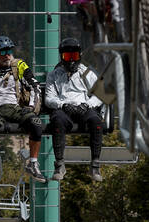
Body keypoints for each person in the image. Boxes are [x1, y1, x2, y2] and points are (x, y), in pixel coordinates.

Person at [0, 35, 47, 182]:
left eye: (9, 50)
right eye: (2, 52)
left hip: (15, 107)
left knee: (36, 124)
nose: (6, 54)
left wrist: (32, 107)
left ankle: (33, 164)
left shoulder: (19, 65)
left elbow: (35, 86)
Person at [44, 38, 104, 182]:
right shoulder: (54, 75)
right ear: (62, 57)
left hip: (83, 107)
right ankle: (59, 165)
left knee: (96, 121)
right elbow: (49, 98)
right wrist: (62, 105)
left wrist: (88, 104)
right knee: (57, 121)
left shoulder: (87, 72)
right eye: (67, 57)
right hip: (65, 109)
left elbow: (101, 94)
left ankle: (95, 165)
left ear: (79, 55)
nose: (71, 61)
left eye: (74, 57)